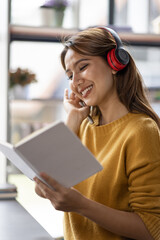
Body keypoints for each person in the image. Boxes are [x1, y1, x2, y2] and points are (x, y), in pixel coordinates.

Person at [34, 26, 160, 240]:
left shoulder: (141, 131)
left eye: (82, 67)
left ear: (114, 63)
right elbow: (41, 188)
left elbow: (152, 228)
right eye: (70, 75)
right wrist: (73, 119)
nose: (75, 82)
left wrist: (81, 205)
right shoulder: (83, 126)